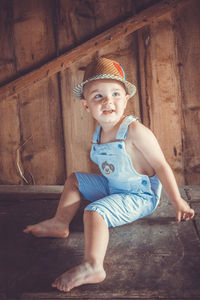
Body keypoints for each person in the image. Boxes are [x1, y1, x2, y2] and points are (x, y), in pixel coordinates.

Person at [23, 57, 195, 292]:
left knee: (95, 211)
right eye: (98, 96)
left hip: (139, 195)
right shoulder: (99, 134)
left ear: (126, 99)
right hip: (114, 186)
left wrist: (177, 201)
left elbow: (162, 165)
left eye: (115, 94)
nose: (108, 101)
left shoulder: (135, 132)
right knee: (74, 179)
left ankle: (93, 265)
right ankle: (59, 223)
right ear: (86, 106)